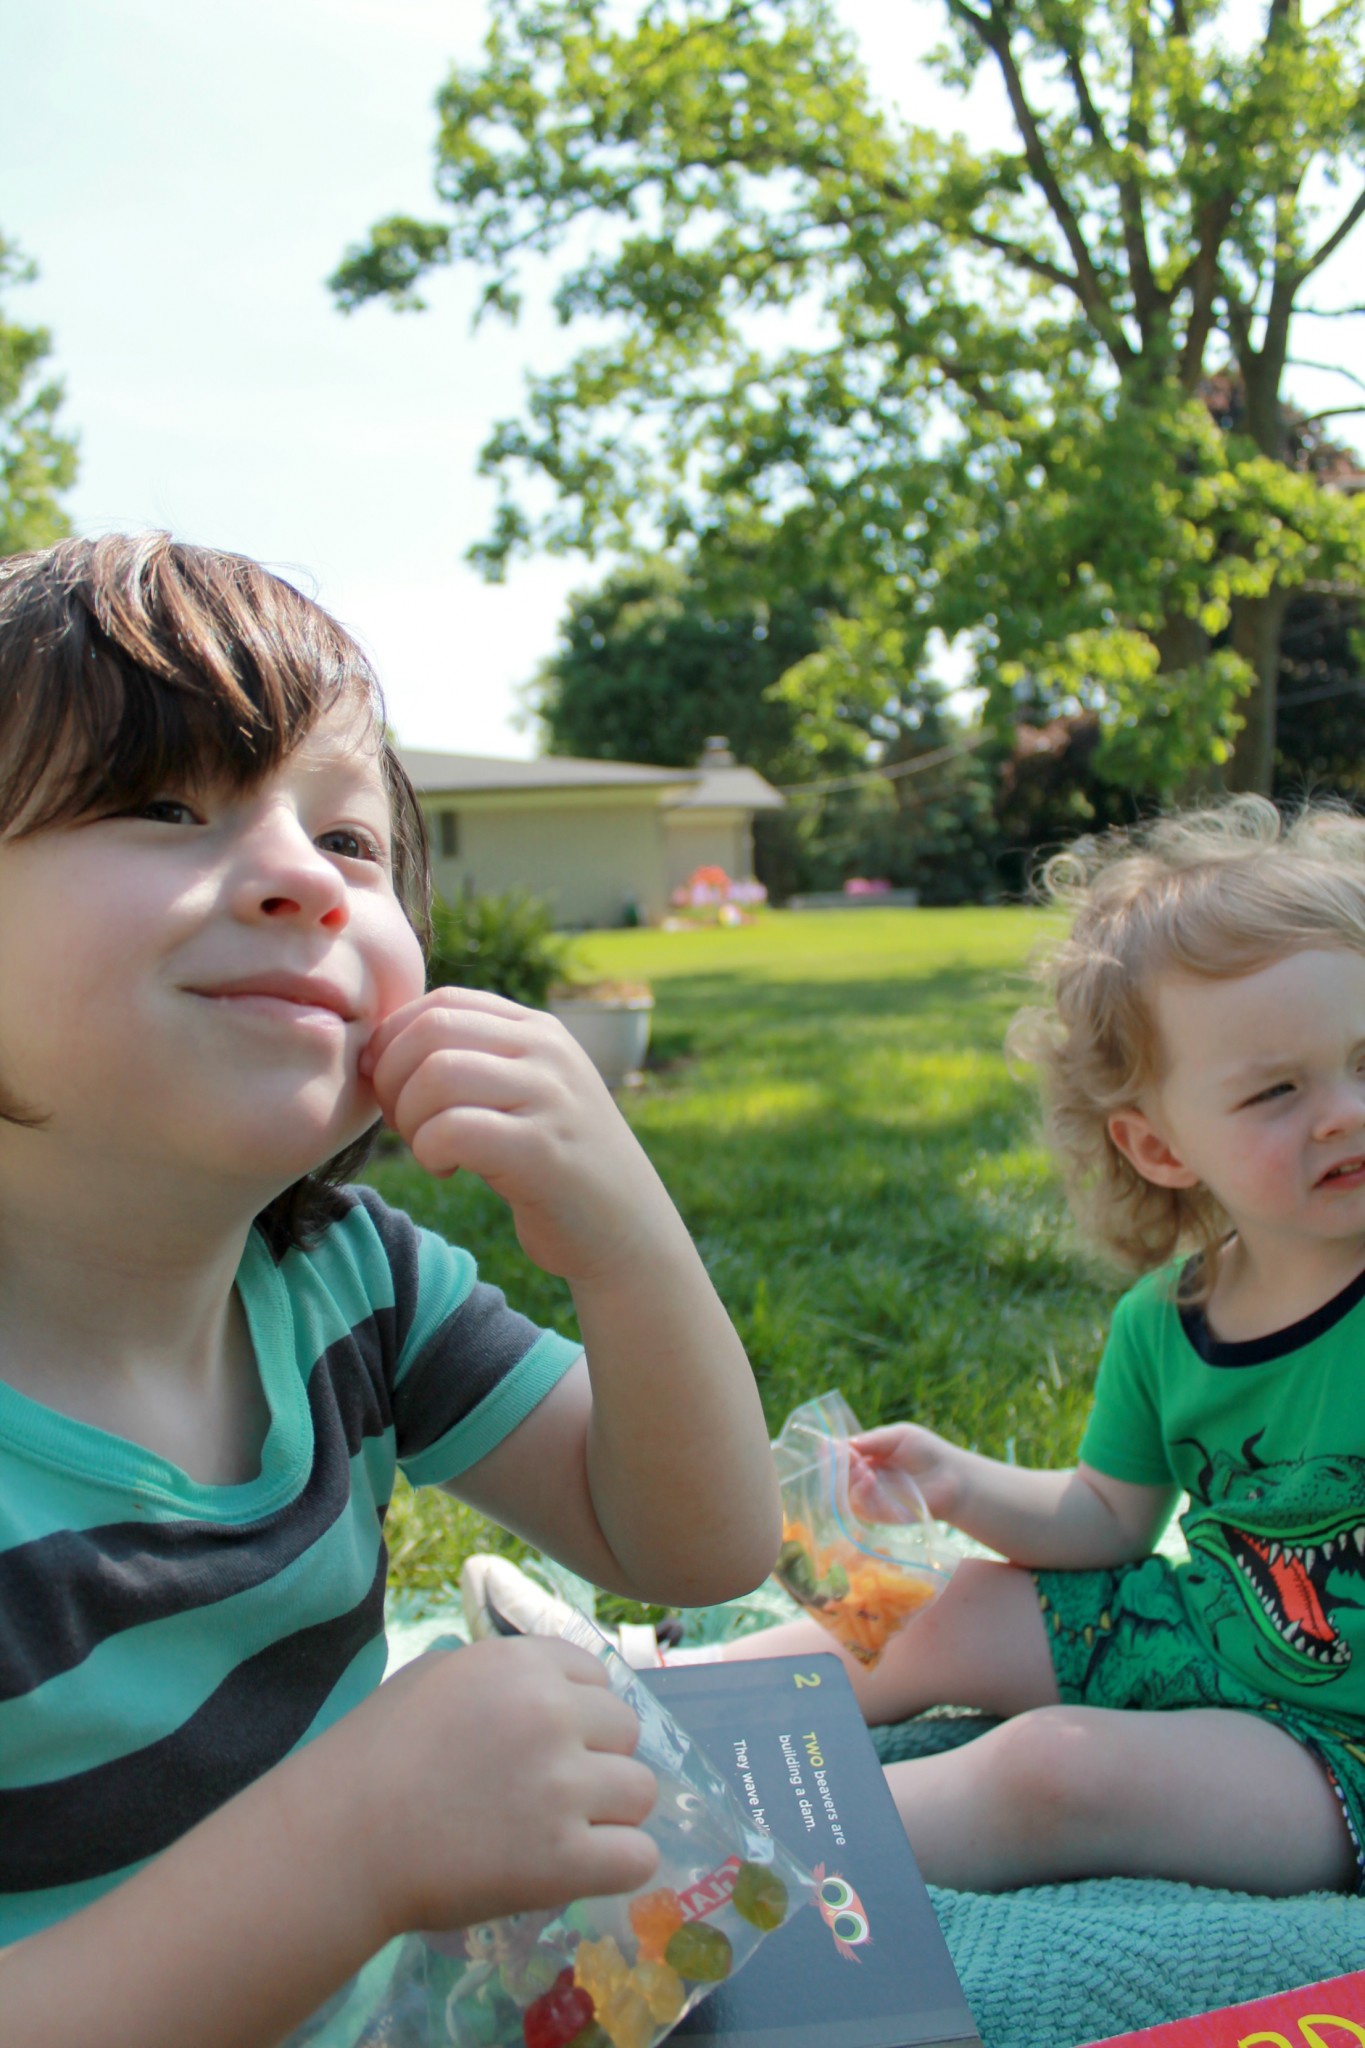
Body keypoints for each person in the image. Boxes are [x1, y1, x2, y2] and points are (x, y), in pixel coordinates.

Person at [0, 533, 781, 2047]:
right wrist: (347, 1845)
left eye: (352, 844)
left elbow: (694, 1545)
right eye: (163, 804)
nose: (303, 878)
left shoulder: (349, 1283)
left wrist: (627, 1239)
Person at [475, 798, 1365, 1898]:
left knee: (1049, 1771)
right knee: (939, 1606)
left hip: (1340, 1758)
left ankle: (705, 1870)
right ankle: (645, 1701)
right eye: (1279, 1089)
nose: (1343, 1112)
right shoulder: (1164, 1318)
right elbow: (1105, 1519)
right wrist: (958, 1482)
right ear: (1159, 1144)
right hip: (1210, 1630)